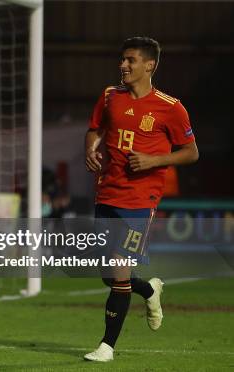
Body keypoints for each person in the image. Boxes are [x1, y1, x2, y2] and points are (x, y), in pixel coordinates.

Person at [84, 36, 199, 362]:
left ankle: (106, 346)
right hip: (107, 191)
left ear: (150, 65)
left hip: (141, 199)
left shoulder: (171, 108)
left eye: (131, 60)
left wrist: (154, 161)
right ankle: (149, 289)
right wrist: (89, 147)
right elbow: (94, 129)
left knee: (119, 271)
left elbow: (191, 152)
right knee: (108, 274)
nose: (123, 65)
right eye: (122, 59)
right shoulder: (109, 97)